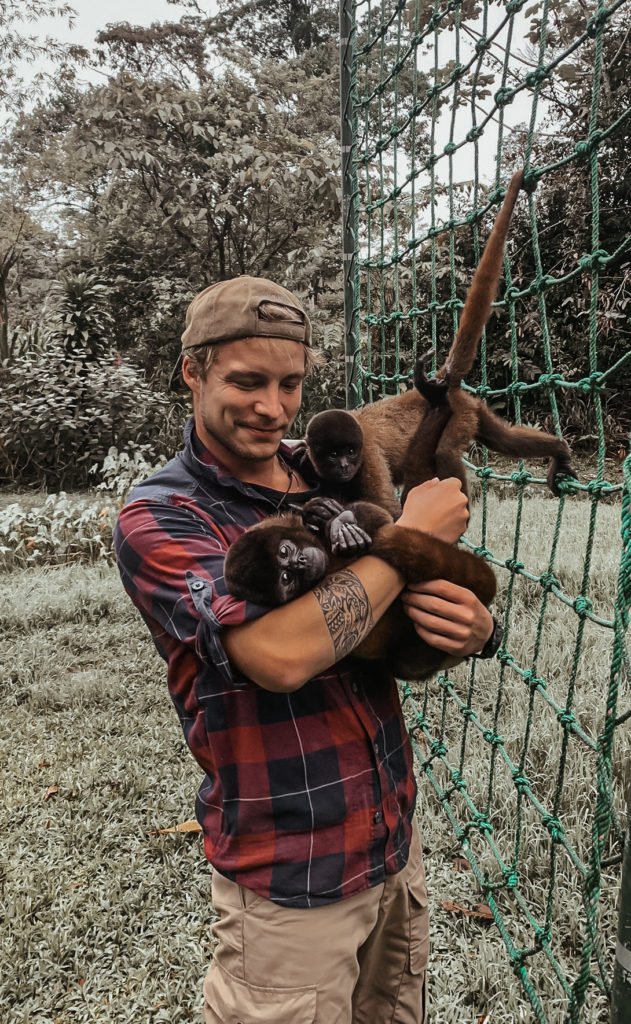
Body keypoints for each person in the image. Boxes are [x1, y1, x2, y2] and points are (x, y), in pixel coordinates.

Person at [114, 276, 498, 1024]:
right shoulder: (162, 514)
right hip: (290, 874)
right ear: (191, 371)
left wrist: (476, 631)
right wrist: (410, 541)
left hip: (392, 843)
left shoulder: (326, 463)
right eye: (246, 381)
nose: (273, 407)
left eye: (290, 383)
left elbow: (387, 619)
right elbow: (278, 655)